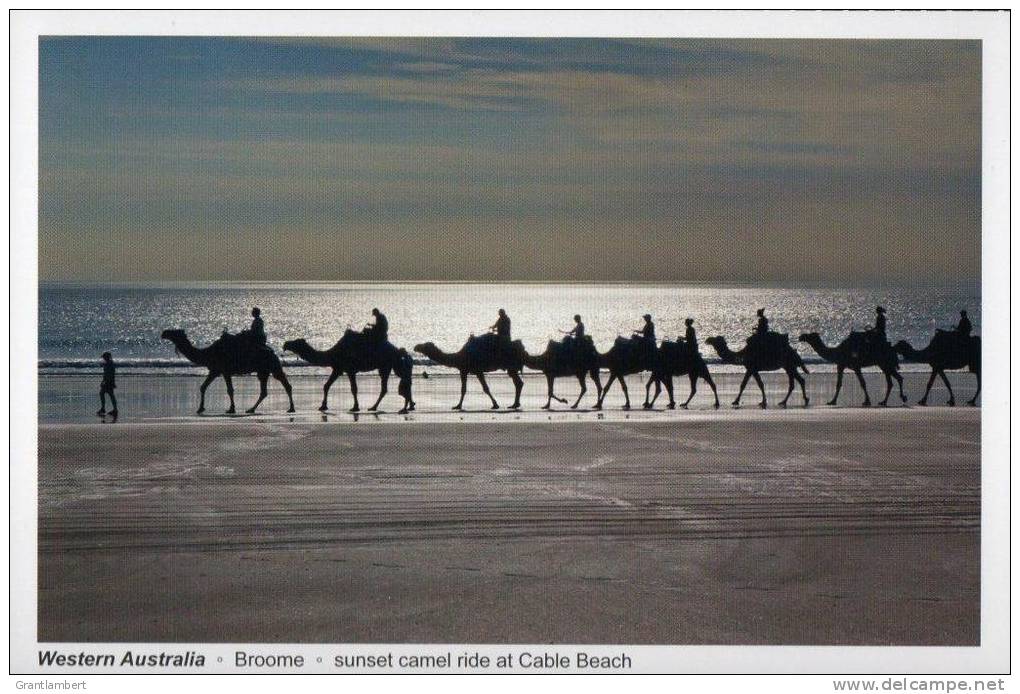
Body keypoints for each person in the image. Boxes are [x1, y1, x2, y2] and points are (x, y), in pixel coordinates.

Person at [96, 351, 118, 417]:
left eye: (104, 357)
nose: (103, 358)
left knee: (104, 394)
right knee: (109, 395)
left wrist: (105, 381)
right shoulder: (110, 363)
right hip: (109, 381)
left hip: (108, 382)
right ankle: (113, 409)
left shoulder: (109, 364)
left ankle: (105, 409)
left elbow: (108, 374)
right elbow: (107, 374)